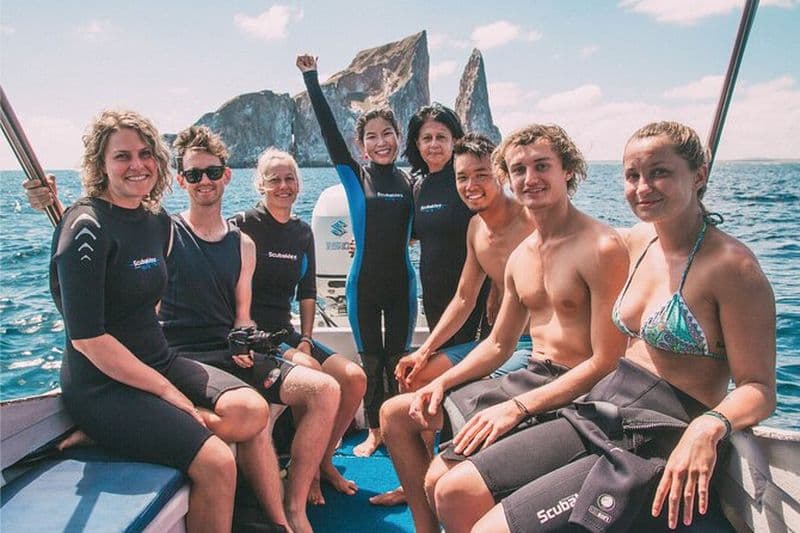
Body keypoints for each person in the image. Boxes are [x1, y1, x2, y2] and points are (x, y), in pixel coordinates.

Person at [433, 122, 776, 532]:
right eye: (632, 176)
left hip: (657, 431)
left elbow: (758, 388)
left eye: (660, 172)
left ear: (699, 175)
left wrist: (710, 424)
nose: (643, 187)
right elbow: (562, 237)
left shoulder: (732, 267)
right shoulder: (636, 242)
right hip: (602, 406)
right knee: (453, 493)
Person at [395, 124, 630, 532]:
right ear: (508, 176)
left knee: (446, 486)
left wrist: (517, 408)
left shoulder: (600, 247)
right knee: (402, 418)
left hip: (580, 392)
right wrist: (440, 381)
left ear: (567, 171)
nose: (530, 179)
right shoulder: (524, 254)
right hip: (532, 374)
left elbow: (608, 360)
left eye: (542, 166)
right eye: (518, 170)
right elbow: (500, 343)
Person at [48, 110, 271, 533]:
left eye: (146, 153)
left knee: (250, 410)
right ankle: (109, 429)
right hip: (102, 384)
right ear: (100, 165)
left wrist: (171, 389)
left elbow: (146, 306)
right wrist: (169, 394)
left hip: (158, 358)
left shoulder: (155, 222)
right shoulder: (85, 228)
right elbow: (89, 339)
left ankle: (118, 436)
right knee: (218, 462)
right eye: (122, 156)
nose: (137, 165)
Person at [371, 133, 536, 507]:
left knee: (443, 388)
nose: (471, 186)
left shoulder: (531, 221)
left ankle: (440, 479)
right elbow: (464, 297)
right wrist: (425, 350)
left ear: (500, 175)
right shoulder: (477, 227)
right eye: (463, 177)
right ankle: (419, 478)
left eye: (481, 175)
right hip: (495, 342)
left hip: (530, 347)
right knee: (413, 374)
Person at [230, 147, 367, 505]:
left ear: (299, 184)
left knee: (354, 378)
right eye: (274, 179)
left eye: (290, 178)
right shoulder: (243, 224)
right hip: (254, 336)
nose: (283, 185)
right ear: (260, 184)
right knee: (311, 375)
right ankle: (300, 472)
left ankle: (322, 460)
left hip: (286, 333)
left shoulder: (302, 232)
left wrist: (306, 338)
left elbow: (307, 293)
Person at [298, 53, 416, 457]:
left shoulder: (410, 181)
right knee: (371, 362)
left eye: (387, 133)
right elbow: (329, 130)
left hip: (403, 283)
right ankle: (376, 432)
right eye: (372, 136)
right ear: (360, 145)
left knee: (399, 361)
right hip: (362, 283)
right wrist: (311, 78)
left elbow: (417, 233)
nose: (380, 141)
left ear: (398, 138)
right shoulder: (354, 176)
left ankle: (403, 428)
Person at [405, 104, 490, 348]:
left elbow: (498, 233)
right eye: (427, 138)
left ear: (455, 140)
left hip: (475, 296)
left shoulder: (466, 183)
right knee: (443, 362)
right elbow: (411, 235)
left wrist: (500, 290)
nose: (434, 144)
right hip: (434, 296)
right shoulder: (419, 188)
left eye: (441, 137)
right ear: (417, 144)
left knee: (469, 369)